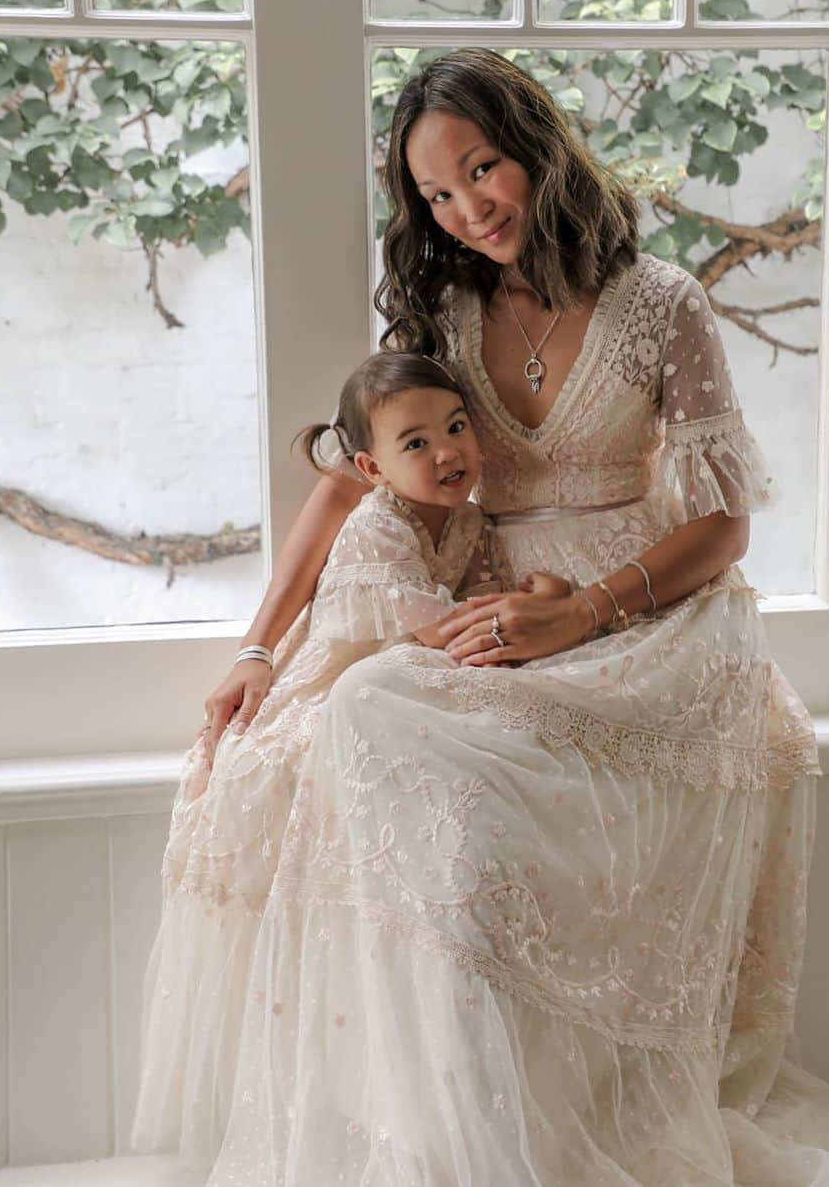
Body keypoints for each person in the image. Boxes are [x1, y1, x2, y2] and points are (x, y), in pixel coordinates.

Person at [196, 48, 829, 1184]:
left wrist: (587, 611)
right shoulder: (443, 308)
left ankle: (567, 1118)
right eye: (437, 196)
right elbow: (351, 477)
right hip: (493, 604)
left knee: (403, 716)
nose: (467, 208)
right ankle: (461, 1125)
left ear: (538, 147)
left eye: (481, 170)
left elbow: (727, 525)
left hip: (652, 613)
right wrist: (260, 644)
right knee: (364, 713)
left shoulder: (664, 306)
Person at [131, 351, 569, 1160]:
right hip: (331, 693)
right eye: (416, 443)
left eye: (457, 428)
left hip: (405, 684)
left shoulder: (465, 522)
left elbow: (470, 605)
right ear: (369, 466)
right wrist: (527, 607)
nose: (447, 453)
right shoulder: (376, 525)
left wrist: (523, 600)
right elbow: (440, 628)